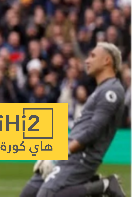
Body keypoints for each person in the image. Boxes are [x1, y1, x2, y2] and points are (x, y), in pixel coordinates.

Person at [20, 42, 127, 197]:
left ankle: (103, 185)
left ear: (107, 61)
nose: (87, 60)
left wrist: (60, 154)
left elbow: (93, 131)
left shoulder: (111, 91)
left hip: (81, 157)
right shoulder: (101, 89)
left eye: (93, 56)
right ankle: (91, 182)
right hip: (69, 153)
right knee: (28, 194)